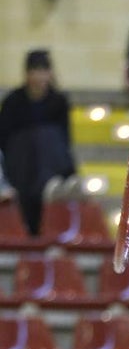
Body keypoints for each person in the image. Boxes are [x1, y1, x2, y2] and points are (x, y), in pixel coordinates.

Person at [0, 50, 75, 235]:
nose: (40, 77)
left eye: (43, 71)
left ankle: (54, 183)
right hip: (20, 166)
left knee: (46, 137)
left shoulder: (58, 102)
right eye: (36, 71)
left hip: (50, 162)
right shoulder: (13, 102)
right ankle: (50, 185)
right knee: (35, 138)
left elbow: (65, 140)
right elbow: (4, 140)